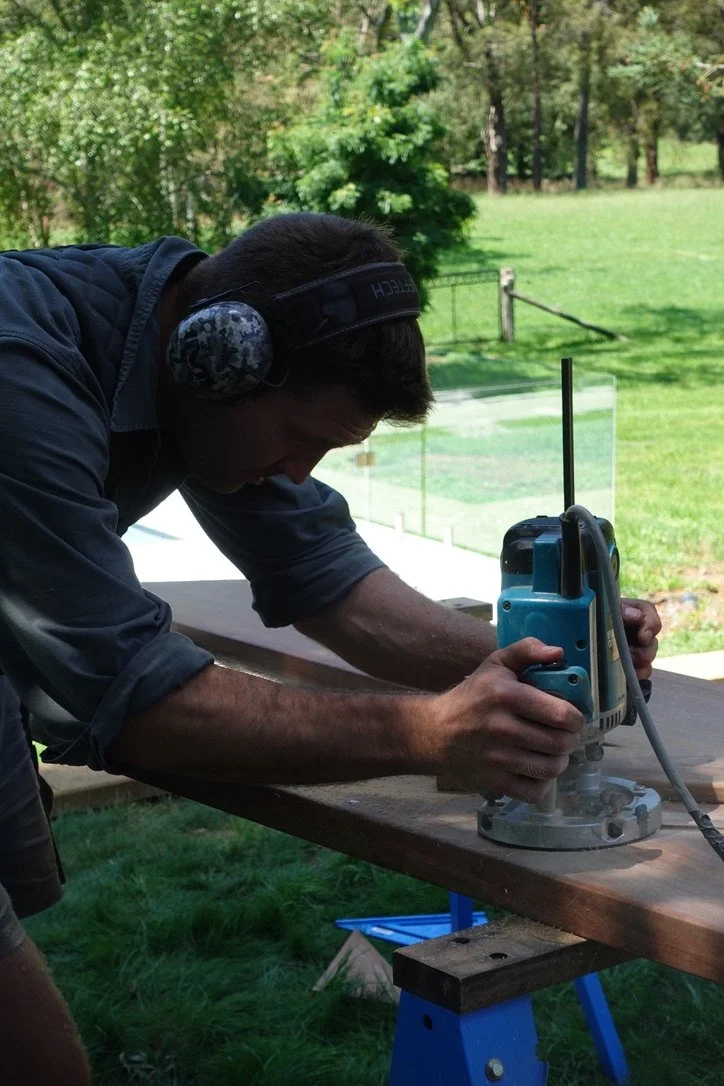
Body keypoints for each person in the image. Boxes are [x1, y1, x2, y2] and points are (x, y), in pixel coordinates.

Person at [0, 212, 660, 1082]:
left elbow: (333, 585)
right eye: (302, 438)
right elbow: (139, 705)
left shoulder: (192, 373)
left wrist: (545, 653)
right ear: (219, 361)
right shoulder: (20, 379)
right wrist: (424, 735)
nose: (301, 471)